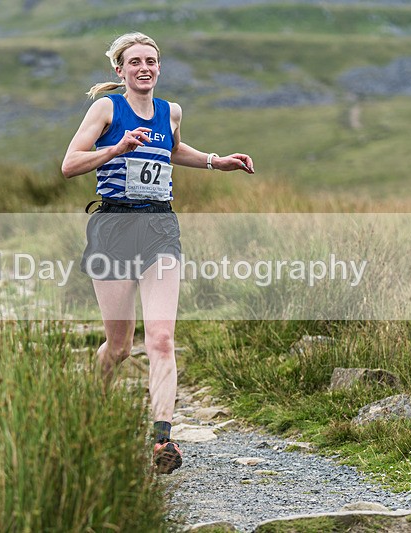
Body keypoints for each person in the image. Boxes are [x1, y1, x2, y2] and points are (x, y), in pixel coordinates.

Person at [61, 32, 254, 474]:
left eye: (151, 61)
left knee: (162, 339)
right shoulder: (106, 109)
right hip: (113, 227)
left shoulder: (172, 111)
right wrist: (116, 148)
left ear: (159, 67)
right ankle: (90, 408)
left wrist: (214, 161)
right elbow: (69, 164)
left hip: (160, 227)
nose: (144, 68)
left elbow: (172, 148)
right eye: (135, 62)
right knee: (120, 347)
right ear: (120, 70)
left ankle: (162, 440)